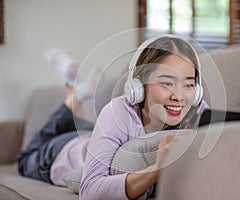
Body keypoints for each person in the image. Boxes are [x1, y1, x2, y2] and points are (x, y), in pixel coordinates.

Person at [79, 34, 209, 200]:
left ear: (197, 91)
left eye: (188, 85)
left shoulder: (199, 112)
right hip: (64, 151)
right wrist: (157, 168)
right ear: (138, 86)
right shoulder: (117, 112)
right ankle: (75, 96)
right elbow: (89, 193)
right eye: (167, 83)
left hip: (94, 134)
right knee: (47, 139)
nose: (179, 96)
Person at [17, 48, 102, 186]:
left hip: (77, 142)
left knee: (24, 160)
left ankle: (76, 90)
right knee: (68, 125)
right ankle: (75, 87)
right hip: (85, 138)